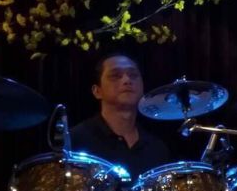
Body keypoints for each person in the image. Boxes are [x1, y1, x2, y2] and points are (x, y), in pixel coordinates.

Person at [70, 51, 172, 180]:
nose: (127, 80)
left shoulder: (157, 148)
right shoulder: (76, 140)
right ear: (97, 91)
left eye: (133, 75)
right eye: (115, 76)